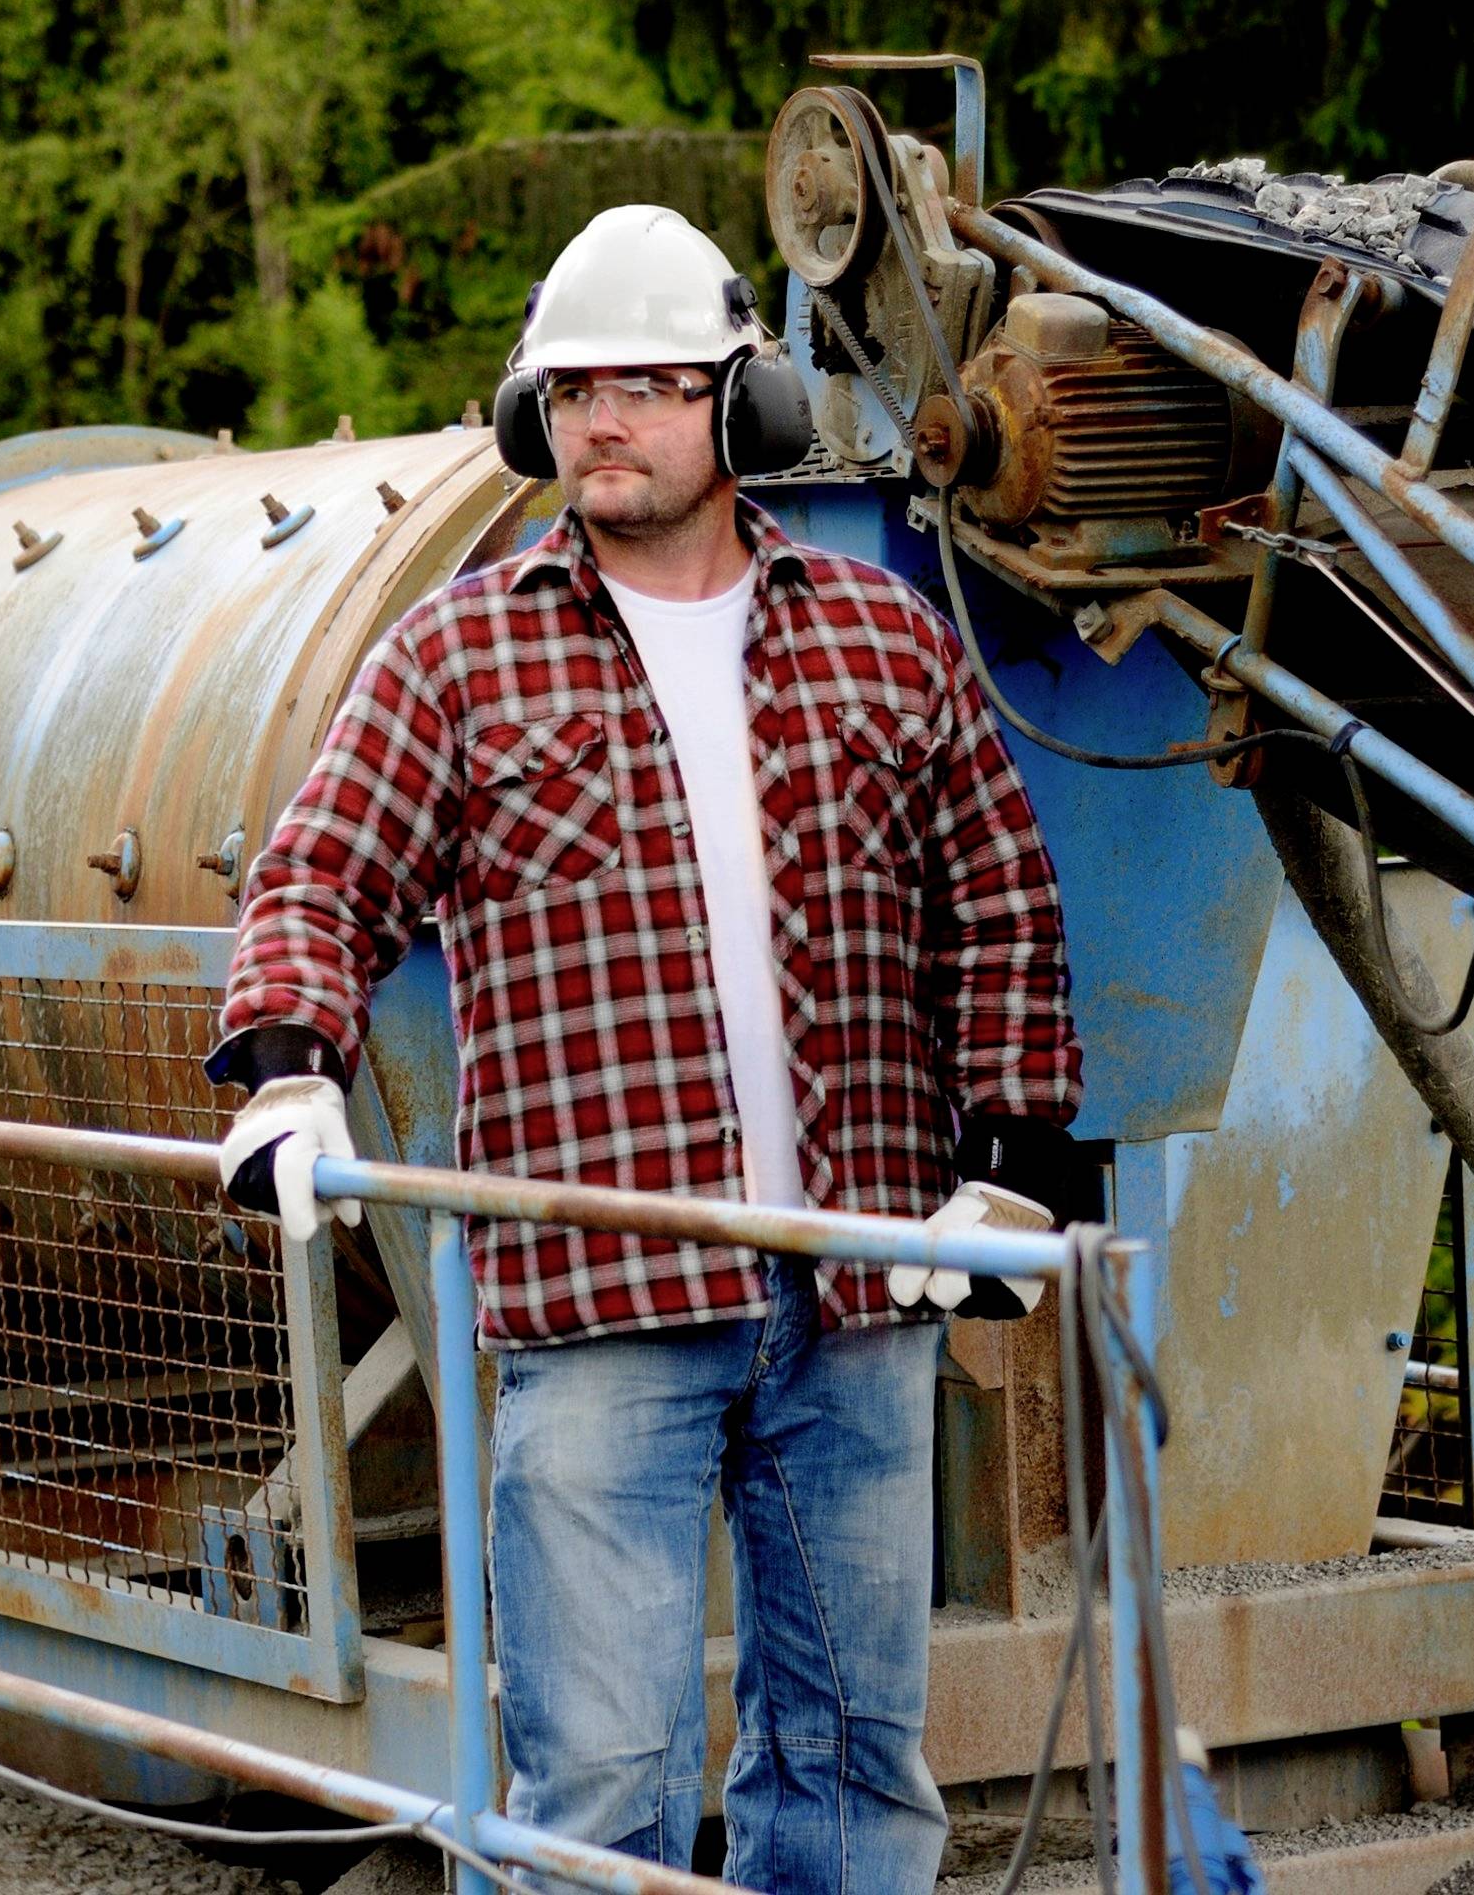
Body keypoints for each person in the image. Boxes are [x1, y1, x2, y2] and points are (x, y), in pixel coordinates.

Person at [210, 202, 1086, 1891]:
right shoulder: (460, 657)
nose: (604, 420)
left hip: (854, 1291)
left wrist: (1013, 1169)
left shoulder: (881, 636)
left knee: (854, 1769)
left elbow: (1004, 904)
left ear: (740, 406)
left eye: (649, 385)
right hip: (601, 1302)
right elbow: (317, 872)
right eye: (574, 389)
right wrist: (287, 1061)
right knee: (596, 1786)